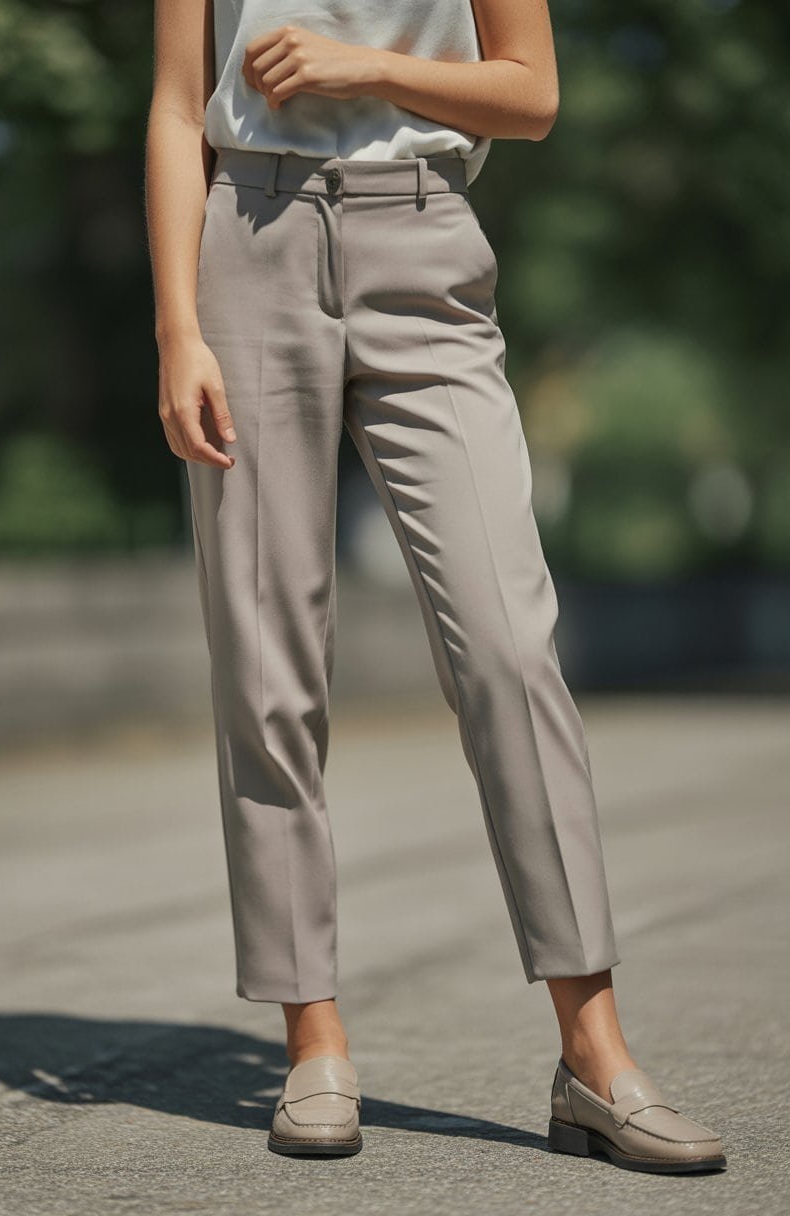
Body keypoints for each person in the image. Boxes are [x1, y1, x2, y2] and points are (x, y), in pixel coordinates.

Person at [145, 0, 727, 1171]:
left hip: (424, 246)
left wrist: (359, 66)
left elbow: (533, 93)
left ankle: (594, 1053)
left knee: (511, 647)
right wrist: (176, 330)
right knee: (266, 668)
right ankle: (313, 1040)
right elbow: (171, 104)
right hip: (245, 239)